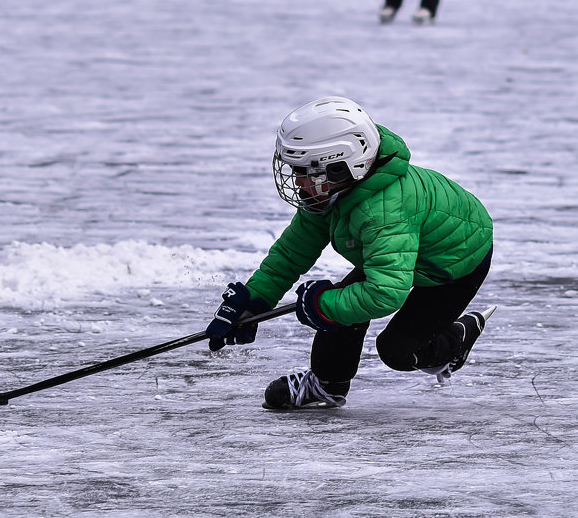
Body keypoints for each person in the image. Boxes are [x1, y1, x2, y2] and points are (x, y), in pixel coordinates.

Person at [206, 96, 493, 410]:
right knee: (341, 302)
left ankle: (456, 340)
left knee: (396, 350)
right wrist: (254, 300)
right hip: (402, 253)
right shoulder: (330, 192)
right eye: (295, 170)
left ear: (345, 166)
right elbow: (291, 253)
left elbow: (384, 294)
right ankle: (327, 385)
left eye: (307, 171)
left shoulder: (384, 213)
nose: (299, 181)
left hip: (454, 264)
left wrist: (320, 305)